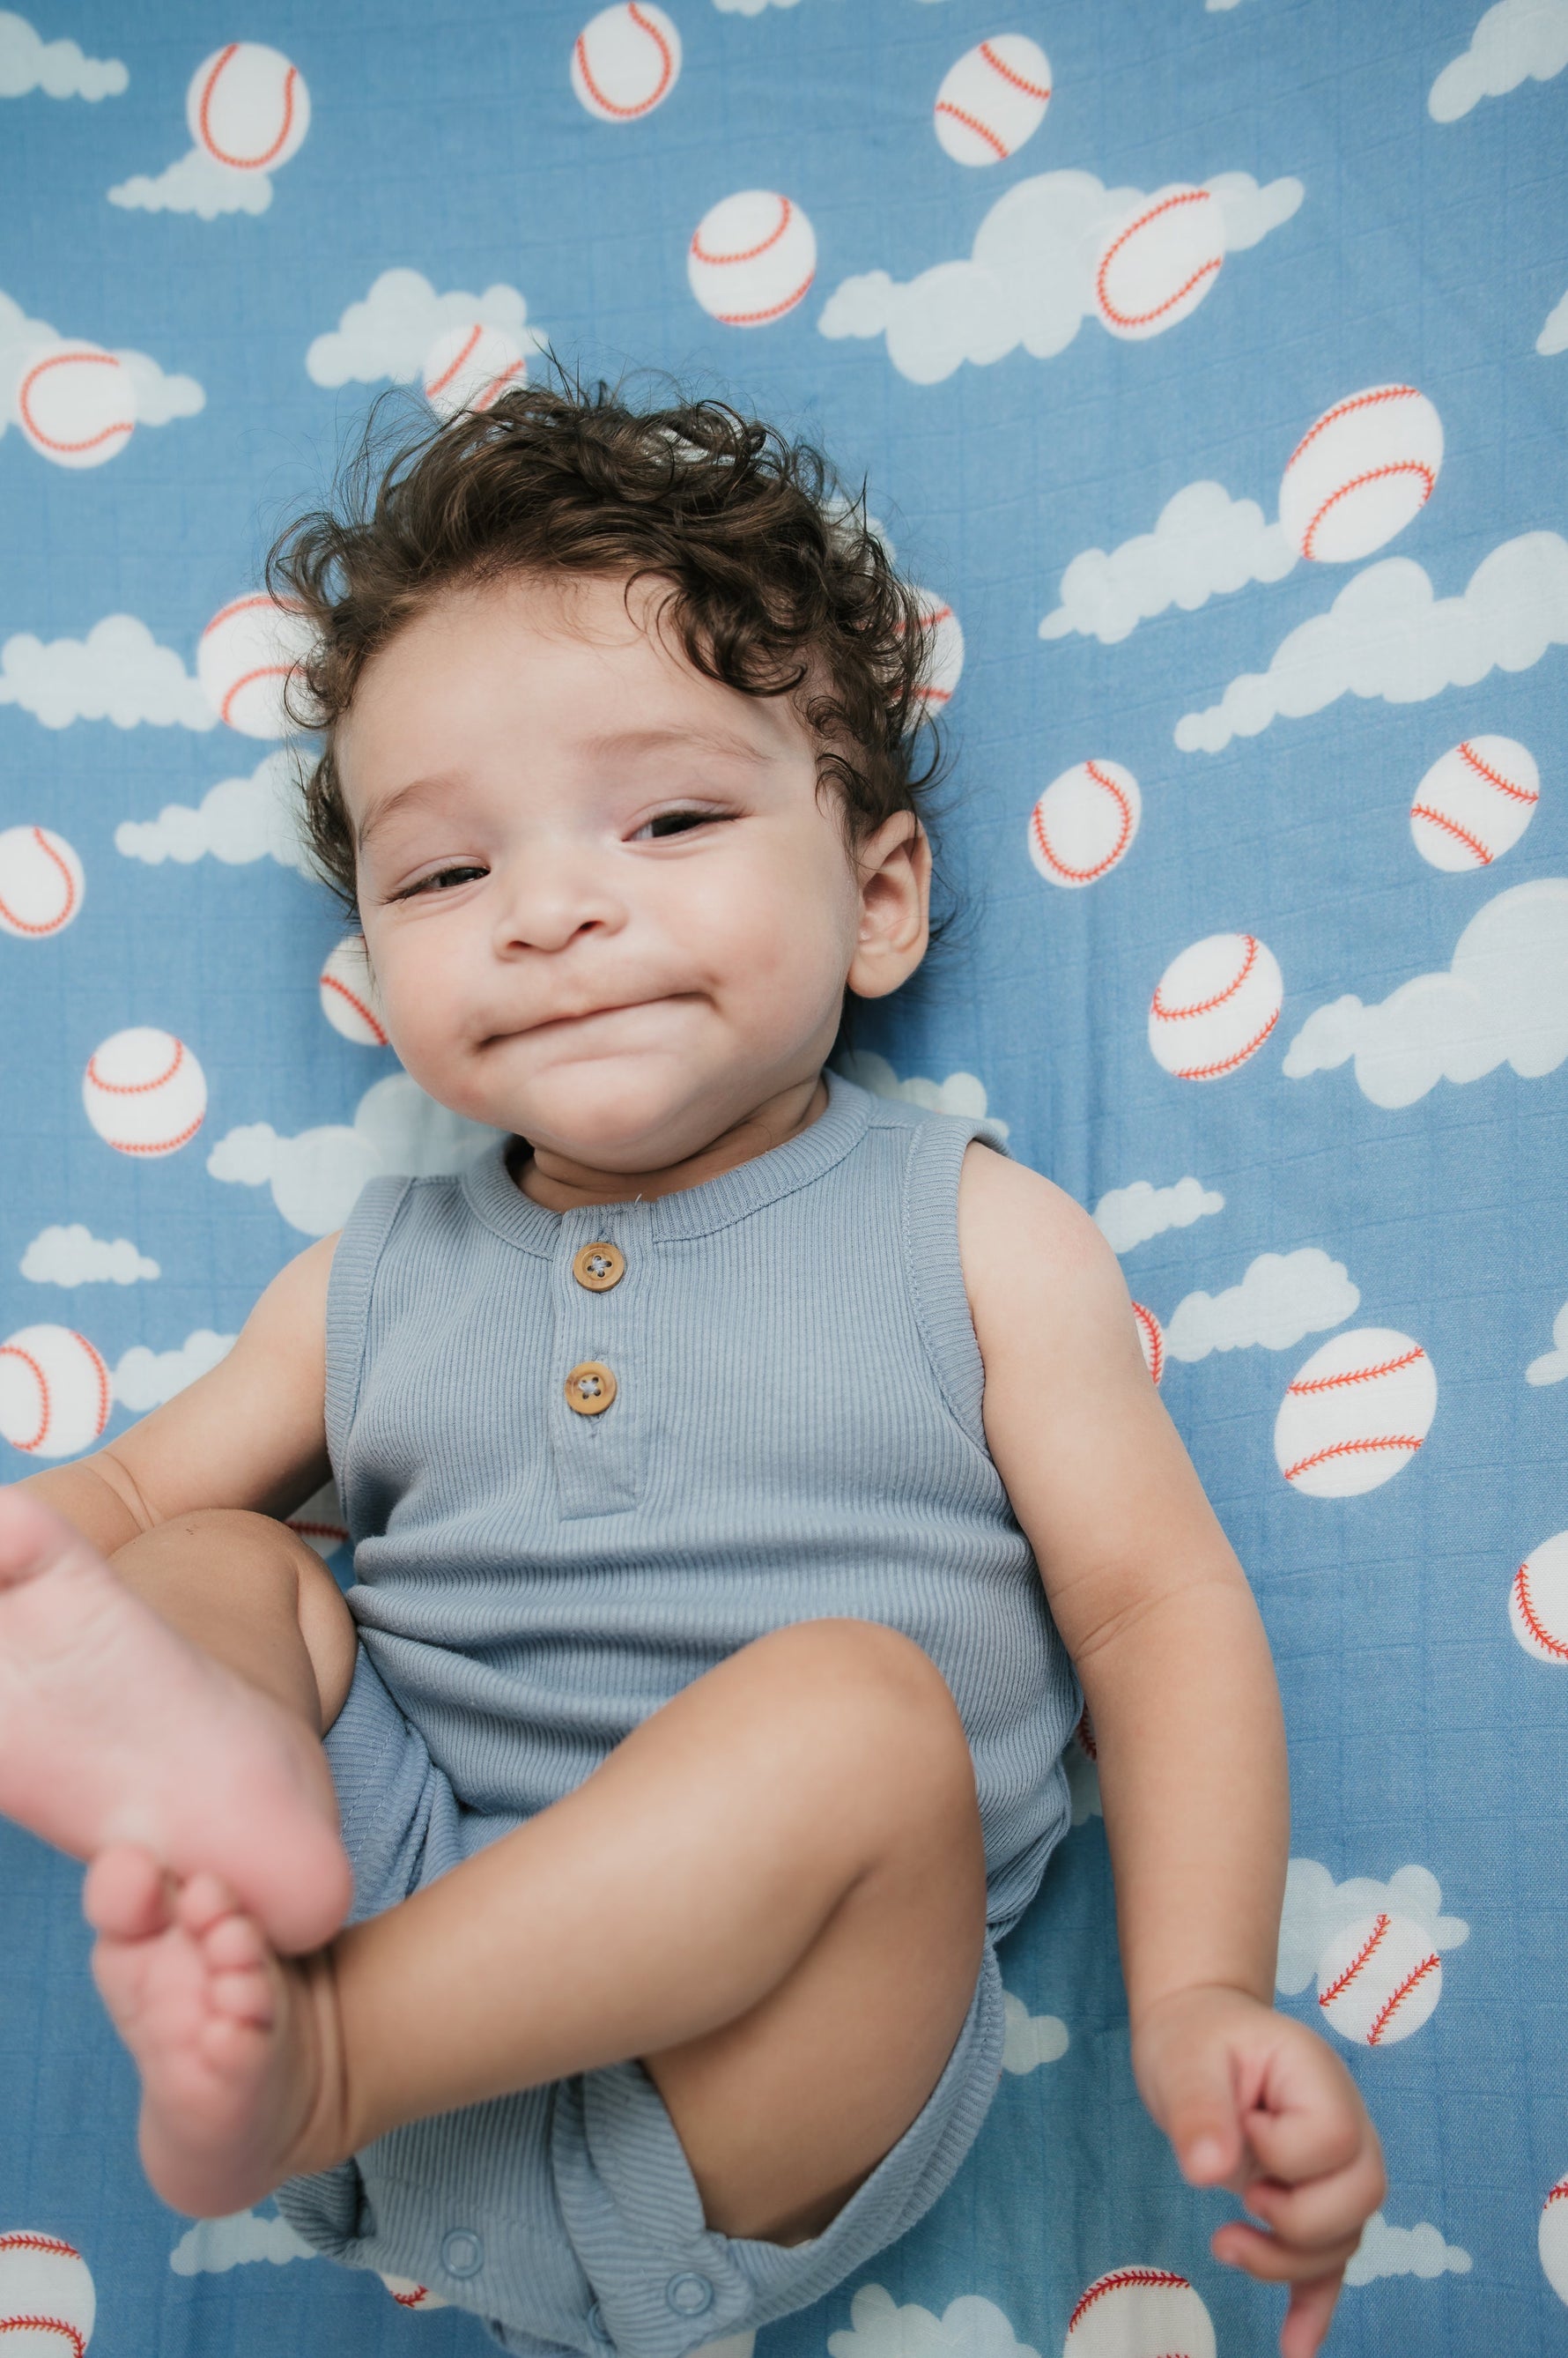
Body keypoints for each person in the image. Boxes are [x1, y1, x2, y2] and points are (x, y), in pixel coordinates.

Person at [0, 382, 1383, 2358]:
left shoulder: (971, 1233)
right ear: (376, 968)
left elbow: (1156, 1615)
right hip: (371, 1919)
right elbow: (120, 1504)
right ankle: (235, 1851)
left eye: (666, 819)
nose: (554, 908)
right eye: (446, 876)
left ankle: (327, 2043)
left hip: (743, 2097)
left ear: (877, 898)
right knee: (217, 1569)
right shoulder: (374, 1272)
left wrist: (1200, 1997)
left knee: (855, 1716)